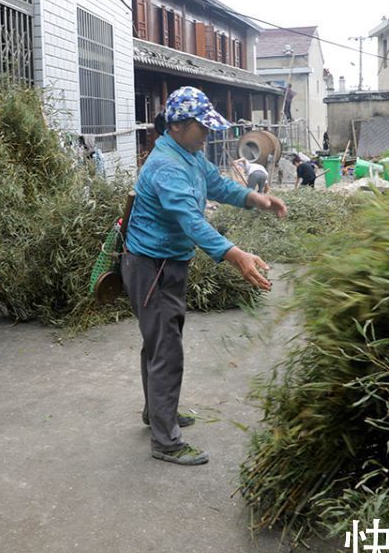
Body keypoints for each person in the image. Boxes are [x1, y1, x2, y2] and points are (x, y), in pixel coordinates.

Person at [123, 86, 287, 466]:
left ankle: (157, 414)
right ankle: (166, 441)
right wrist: (236, 256)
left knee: (159, 342)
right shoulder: (166, 166)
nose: (208, 133)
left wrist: (257, 199)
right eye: (203, 126)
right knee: (166, 349)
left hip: (166, 262)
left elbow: (218, 186)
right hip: (152, 267)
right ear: (178, 126)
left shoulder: (190, 155)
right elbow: (192, 222)